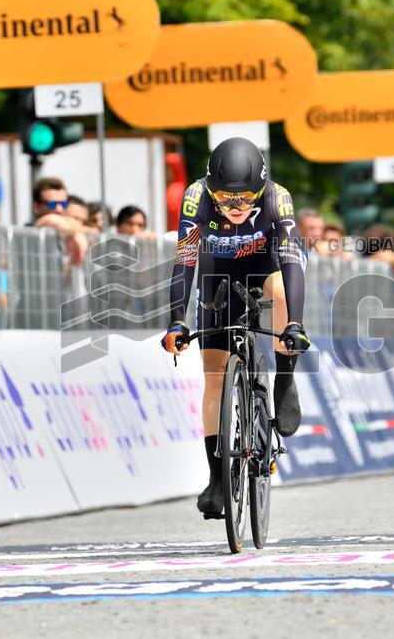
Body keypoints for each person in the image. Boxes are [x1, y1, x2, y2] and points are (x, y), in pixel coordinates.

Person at [160, 137, 309, 519]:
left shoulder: (278, 197)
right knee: (213, 375)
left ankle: (285, 379)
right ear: (212, 188)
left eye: (245, 198)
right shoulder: (196, 197)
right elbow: (185, 262)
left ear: (261, 188)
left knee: (278, 291)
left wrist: (294, 324)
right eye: (225, 198)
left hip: (267, 265)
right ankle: (216, 479)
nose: (235, 206)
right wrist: (178, 320)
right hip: (216, 272)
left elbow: (292, 261)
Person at [30, 177, 88, 265]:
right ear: (36, 207)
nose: (59, 209)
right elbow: (51, 220)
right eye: (52, 204)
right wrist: (80, 232)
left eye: (63, 204)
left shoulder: (66, 231)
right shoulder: (37, 226)